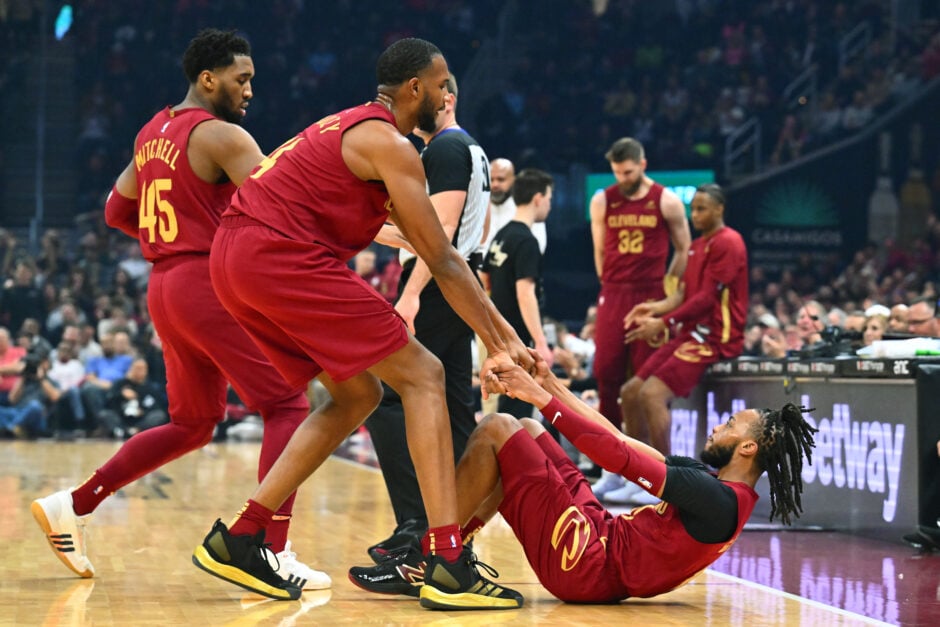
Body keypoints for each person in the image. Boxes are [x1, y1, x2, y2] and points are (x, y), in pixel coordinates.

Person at [192, 38, 529, 609]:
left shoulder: (344, 128)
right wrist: (505, 340)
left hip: (234, 260)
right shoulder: (390, 144)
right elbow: (444, 257)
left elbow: (408, 235)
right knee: (423, 374)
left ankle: (242, 536)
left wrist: (499, 334)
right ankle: (446, 560)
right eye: (442, 83)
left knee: (356, 396)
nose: (449, 93)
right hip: (278, 257)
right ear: (414, 88)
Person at [31, 29, 329, 590]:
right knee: (289, 405)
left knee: (193, 423)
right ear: (208, 78)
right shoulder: (223, 135)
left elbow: (116, 209)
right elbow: (285, 212)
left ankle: (76, 503)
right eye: (242, 80)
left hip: (165, 285)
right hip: (208, 283)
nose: (249, 91)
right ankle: (270, 549)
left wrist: (176, 230)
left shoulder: (152, 132)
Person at [354, 350, 817, 603]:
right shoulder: (719, 491)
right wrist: (551, 384)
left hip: (591, 567)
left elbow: (616, 458)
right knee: (530, 432)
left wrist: (535, 393)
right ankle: (445, 558)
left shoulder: (715, 499)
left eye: (732, 426)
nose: (719, 426)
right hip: (601, 537)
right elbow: (615, 435)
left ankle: (435, 553)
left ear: (749, 447)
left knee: (498, 427)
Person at [358, 72, 493, 564]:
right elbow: (476, 229)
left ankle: (417, 524)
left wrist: (411, 293)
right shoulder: (474, 151)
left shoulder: (446, 149)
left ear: (447, 97)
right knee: (453, 407)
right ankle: (446, 531)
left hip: (435, 287)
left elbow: (440, 232)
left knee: (388, 397)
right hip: (460, 282)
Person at [617, 184, 748, 504]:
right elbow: (683, 296)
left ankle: (668, 484)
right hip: (690, 332)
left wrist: (664, 322)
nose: (695, 214)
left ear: (719, 209)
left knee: (651, 395)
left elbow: (707, 299)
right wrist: (655, 309)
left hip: (717, 336)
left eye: (702, 208)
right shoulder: (696, 246)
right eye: (693, 208)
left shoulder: (729, 242)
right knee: (630, 392)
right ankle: (638, 475)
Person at [589, 137, 691, 501]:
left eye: (628, 171)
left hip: (651, 293)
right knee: (605, 375)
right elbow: (599, 249)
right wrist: (609, 286)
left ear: (643, 164)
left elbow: (684, 248)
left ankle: (647, 471)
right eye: (617, 172)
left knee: (645, 382)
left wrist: (669, 290)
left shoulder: (666, 200)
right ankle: (611, 469)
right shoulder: (602, 199)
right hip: (615, 293)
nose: (622, 177)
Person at [480, 168, 555, 419]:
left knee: (503, 405)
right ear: (537, 199)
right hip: (518, 339)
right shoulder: (526, 241)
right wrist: (541, 341)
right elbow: (525, 294)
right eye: (549, 199)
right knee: (518, 409)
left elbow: (484, 279)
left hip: (498, 332)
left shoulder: (501, 236)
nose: (549, 205)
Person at [479, 158, 547, 255]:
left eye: (501, 179)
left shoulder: (526, 206)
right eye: (491, 179)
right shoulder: (479, 207)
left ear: (513, 180)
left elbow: (538, 246)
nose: (495, 184)